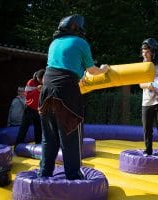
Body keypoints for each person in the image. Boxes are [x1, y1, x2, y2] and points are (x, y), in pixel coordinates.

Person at [38, 14, 109, 180]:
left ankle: (44, 173)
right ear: (77, 28)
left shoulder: (54, 43)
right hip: (66, 91)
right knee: (70, 135)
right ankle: (73, 176)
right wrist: (104, 69)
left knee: (49, 136)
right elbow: (92, 71)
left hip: (46, 90)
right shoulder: (80, 42)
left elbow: (64, 65)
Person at [139, 38, 158, 158]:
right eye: (142, 51)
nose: (144, 54)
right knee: (147, 128)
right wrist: (150, 85)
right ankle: (148, 150)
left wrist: (156, 86)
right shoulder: (142, 65)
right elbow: (141, 84)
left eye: (146, 51)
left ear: (153, 52)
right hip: (147, 101)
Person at [15, 69, 45, 147]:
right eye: (42, 79)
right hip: (29, 108)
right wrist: (37, 90)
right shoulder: (31, 82)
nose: (43, 81)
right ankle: (17, 145)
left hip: (38, 109)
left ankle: (38, 145)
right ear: (38, 78)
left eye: (44, 79)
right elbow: (27, 95)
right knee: (24, 128)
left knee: (38, 129)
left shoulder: (46, 83)